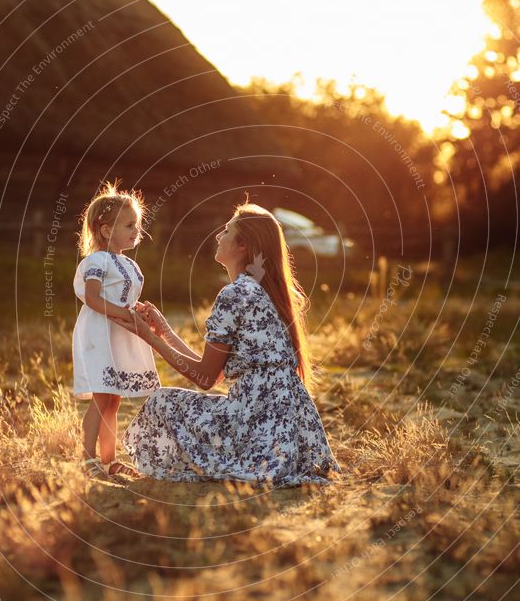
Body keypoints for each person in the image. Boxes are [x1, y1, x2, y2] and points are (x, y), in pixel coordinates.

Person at [115, 201, 343, 486]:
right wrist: (163, 331)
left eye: (226, 231)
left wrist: (146, 337)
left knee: (162, 401)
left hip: (254, 418)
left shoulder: (234, 294)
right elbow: (215, 370)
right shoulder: (267, 291)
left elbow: (206, 378)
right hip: (289, 423)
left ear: (242, 246)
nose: (217, 236)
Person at [72, 182, 160, 479]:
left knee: (114, 398)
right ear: (106, 230)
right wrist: (126, 313)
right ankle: (87, 460)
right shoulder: (96, 261)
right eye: (129, 224)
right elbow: (94, 298)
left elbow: (126, 298)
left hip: (120, 333)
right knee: (102, 395)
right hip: (100, 333)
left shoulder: (127, 263)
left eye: (137, 223)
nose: (137, 229)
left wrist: (139, 311)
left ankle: (109, 460)